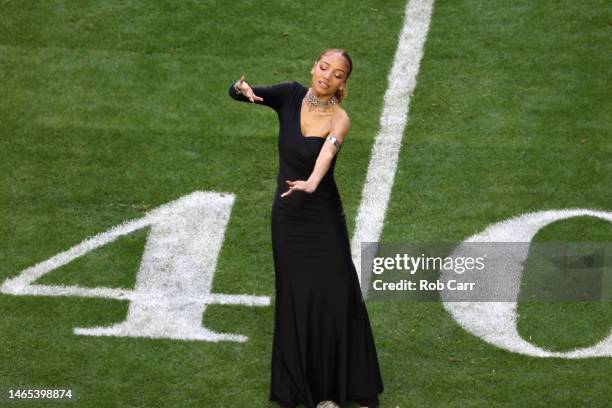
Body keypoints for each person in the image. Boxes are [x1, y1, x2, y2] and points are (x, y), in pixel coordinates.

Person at [228, 48, 384, 408]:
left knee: (339, 295)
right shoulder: (288, 94)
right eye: (324, 67)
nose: (327, 75)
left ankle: (355, 387)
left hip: (324, 219)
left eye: (338, 74)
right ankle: (296, 387)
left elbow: (327, 154)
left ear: (344, 83)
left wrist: (313, 181)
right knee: (294, 298)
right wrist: (241, 89)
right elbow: (238, 92)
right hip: (287, 219)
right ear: (314, 66)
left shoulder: (340, 119)